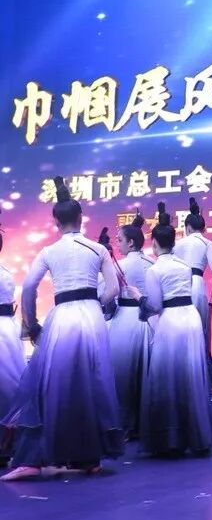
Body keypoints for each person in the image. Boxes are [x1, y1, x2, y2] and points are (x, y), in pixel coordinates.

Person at [1, 176, 123, 480]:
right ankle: (90, 457)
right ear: (81, 218)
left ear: (55, 221)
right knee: (92, 384)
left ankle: (33, 459)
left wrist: (32, 324)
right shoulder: (98, 249)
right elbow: (113, 289)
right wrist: (95, 303)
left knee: (50, 386)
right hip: (92, 317)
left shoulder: (49, 251)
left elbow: (29, 288)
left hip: (62, 318)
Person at [128, 202, 212, 457]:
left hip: (172, 322)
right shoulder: (184, 266)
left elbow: (155, 305)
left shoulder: (155, 269)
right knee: (190, 377)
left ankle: (170, 439)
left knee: (167, 378)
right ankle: (194, 435)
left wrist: (137, 297)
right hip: (191, 319)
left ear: (154, 244)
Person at [106, 213, 154, 439]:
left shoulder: (120, 265)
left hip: (125, 319)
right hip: (150, 321)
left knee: (122, 376)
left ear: (131, 242)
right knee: (147, 374)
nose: (117, 243)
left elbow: (107, 295)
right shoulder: (153, 263)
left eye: (120, 240)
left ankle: (125, 425)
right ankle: (145, 424)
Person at [173, 197, 212, 368]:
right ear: (203, 229)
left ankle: (180, 368)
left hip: (178, 285)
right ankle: (198, 369)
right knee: (199, 329)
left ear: (187, 228)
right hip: (197, 284)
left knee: (179, 328)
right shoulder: (207, 243)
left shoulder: (178, 244)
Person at [0, 212, 25, 467]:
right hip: (8, 329)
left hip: (4, 330)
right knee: (10, 387)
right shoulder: (6, 272)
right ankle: (7, 445)